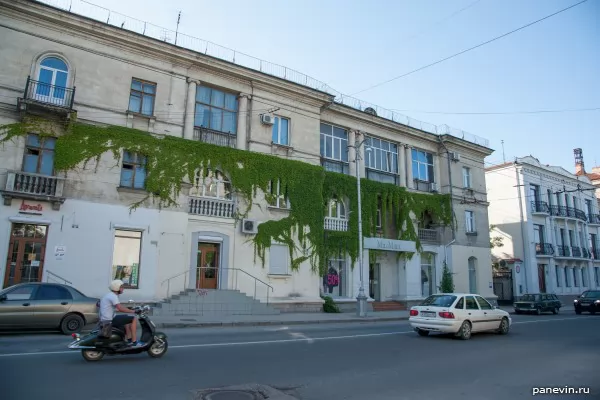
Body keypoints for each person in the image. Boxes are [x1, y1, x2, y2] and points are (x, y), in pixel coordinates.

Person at [99, 279, 143, 347]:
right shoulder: (113, 296)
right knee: (133, 318)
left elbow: (119, 307)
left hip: (107, 318)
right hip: (109, 320)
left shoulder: (110, 295)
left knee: (126, 318)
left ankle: (129, 339)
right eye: (122, 287)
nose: (123, 289)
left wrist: (129, 309)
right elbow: (120, 308)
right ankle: (134, 342)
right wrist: (133, 311)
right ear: (117, 288)